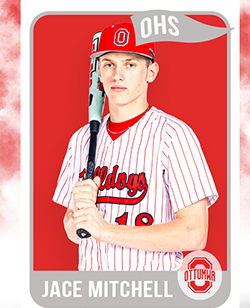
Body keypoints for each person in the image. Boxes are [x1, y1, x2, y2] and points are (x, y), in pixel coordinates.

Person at [52, 19, 217, 272]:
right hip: (91, 290)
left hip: (152, 290)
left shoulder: (174, 135)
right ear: (99, 72)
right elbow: (73, 231)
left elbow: (194, 233)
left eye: (130, 64)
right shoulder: (81, 139)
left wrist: (106, 231)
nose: (117, 75)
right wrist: (78, 217)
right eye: (109, 64)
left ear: (151, 72)